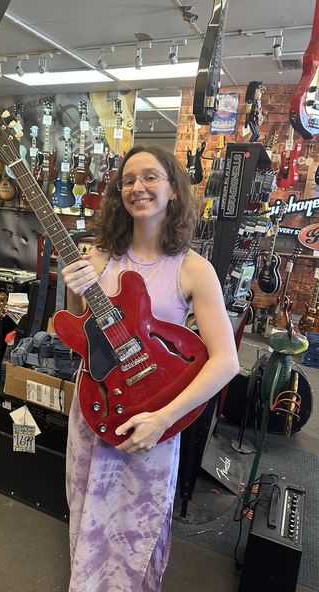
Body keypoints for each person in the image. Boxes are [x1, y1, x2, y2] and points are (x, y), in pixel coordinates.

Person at [61, 144, 239, 591]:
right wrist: (72, 291)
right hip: (96, 409)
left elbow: (226, 361)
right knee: (87, 514)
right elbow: (72, 333)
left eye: (150, 177)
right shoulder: (97, 259)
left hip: (156, 416)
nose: (138, 187)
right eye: (127, 180)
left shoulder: (193, 269)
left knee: (140, 527)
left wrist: (163, 420)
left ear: (174, 190)